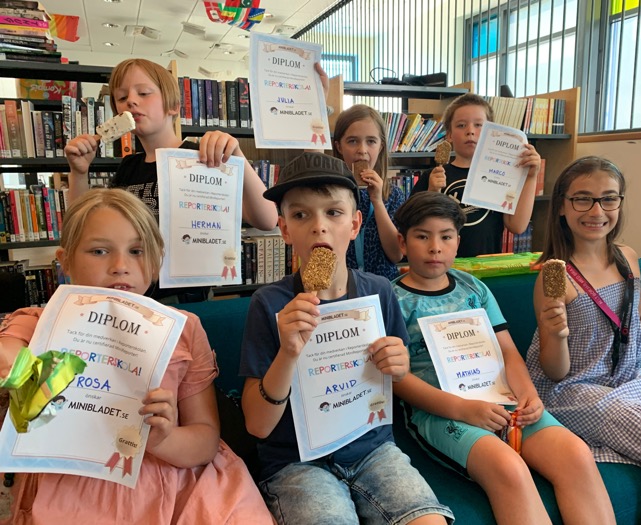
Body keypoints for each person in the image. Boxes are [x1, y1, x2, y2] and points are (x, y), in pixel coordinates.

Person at [0, 188, 273, 524]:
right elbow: (8, 355)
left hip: (175, 475)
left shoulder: (183, 329)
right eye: (99, 251)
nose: (120, 266)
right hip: (74, 482)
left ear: (156, 261)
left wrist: (164, 438)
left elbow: (204, 441)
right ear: (65, 260)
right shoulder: (37, 323)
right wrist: (17, 368)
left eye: (136, 251)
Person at [239, 152, 454, 525]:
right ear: (285, 230)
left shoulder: (379, 292)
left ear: (355, 224)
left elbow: (397, 373)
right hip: (298, 462)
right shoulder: (269, 304)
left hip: (374, 451)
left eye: (333, 213)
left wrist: (398, 365)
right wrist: (288, 353)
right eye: (301, 215)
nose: (319, 227)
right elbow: (258, 426)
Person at [391, 191, 615, 524]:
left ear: (457, 242)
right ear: (403, 242)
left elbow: (507, 350)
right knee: (509, 467)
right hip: (442, 411)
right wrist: (464, 409)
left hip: (503, 400)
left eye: (446, 237)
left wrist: (529, 395)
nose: (435, 247)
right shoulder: (391, 298)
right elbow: (398, 379)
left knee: (576, 453)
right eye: (422, 237)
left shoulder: (474, 288)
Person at [525, 156, 641, 524]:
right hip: (573, 391)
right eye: (582, 199)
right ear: (562, 206)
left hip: (631, 382)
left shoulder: (627, 258)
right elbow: (555, 373)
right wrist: (554, 332)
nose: (597, 210)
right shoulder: (555, 278)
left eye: (608, 198)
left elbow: (638, 324)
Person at [64, 58, 278, 303]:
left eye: (143, 93)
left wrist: (236, 155)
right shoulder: (129, 167)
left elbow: (267, 219)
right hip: (131, 296)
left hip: (185, 299)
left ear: (174, 106)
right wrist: (79, 172)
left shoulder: (202, 158)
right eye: (122, 98)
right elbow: (81, 227)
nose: (131, 101)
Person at [410, 93, 541, 257]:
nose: (470, 131)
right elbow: (414, 225)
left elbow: (517, 226)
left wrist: (531, 177)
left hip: (485, 266)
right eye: (461, 125)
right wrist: (432, 192)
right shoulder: (432, 176)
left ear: (492, 132)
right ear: (449, 134)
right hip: (440, 265)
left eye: (479, 125)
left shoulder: (501, 176)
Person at [332, 104, 404, 280]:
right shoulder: (330, 194)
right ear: (339, 147)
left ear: (380, 147)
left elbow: (396, 254)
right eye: (352, 141)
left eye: (371, 141)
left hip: (384, 285)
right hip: (342, 285)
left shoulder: (393, 195)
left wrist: (377, 201)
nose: (362, 150)